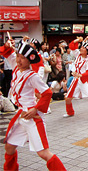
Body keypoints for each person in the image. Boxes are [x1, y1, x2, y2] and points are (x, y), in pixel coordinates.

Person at [0, 39, 66, 170]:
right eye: (18, 56)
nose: (19, 60)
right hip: (21, 115)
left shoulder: (32, 76)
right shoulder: (15, 66)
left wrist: (36, 109)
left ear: (29, 60)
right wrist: (7, 45)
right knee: (9, 147)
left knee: (43, 153)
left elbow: (47, 92)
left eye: (23, 58)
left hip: (33, 117)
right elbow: (7, 52)